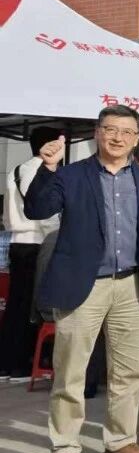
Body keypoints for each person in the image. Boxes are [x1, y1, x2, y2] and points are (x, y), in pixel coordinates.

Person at [24, 106, 139, 453]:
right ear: (97, 133)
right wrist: (47, 167)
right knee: (71, 371)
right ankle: (64, 448)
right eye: (110, 129)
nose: (118, 137)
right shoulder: (71, 175)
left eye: (126, 131)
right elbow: (37, 208)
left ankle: (120, 441)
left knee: (129, 371)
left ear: (136, 139)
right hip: (81, 285)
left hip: (132, 284)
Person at [0, 126, 61, 383]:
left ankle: (7, 364)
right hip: (36, 243)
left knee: (17, 305)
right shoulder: (37, 170)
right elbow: (41, 209)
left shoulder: (18, 168)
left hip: (19, 242)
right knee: (30, 307)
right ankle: (20, 366)